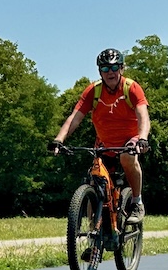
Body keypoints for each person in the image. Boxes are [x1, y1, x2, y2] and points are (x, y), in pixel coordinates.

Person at [48, 48, 150, 224]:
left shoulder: (131, 88)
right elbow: (75, 118)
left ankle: (136, 202)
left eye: (114, 67)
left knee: (127, 157)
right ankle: (93, 230)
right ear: (99, 71)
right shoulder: (93, 91)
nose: (110, 72)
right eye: (105, 68)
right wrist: (59, 140)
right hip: (104, 143)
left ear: (121, 68)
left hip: (130, 139)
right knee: (95, 180)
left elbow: (143, 116)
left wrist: (143, 139)